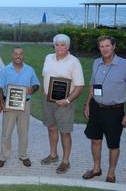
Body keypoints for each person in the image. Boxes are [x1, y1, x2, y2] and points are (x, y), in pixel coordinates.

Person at [82, 36, 126, 183]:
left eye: (107, 46)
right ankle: (96, 168)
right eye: (101, 46)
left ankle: (111, 173)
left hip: (114, 111)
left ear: (114, 47)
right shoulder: (96, 63)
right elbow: (93, 86)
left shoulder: (125, 65)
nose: (104, 49)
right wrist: (87, 104)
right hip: (96, 108)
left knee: (113, 144)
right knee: (95, 140)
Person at [41, 34, 84, 174]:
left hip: (65, 103)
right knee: (52, 128)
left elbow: (79, 86)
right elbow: (45, 76)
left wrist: (67, 100)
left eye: (63, 44)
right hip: (48, 100)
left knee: (65, 131)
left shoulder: (74, 62)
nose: (59, 47)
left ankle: (65, 161)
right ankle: (53, 155)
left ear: (68, 46)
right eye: (57, 44)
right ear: (54, 45)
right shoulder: (48, 57)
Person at [0, 47, 40, 168]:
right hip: (9, 104)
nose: (18, 56)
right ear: (12, 55)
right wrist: (1, 103)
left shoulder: (29, 70)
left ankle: (23, 155)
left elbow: (36, 84)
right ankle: (3, 156)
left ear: (23, 56)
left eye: (20, 54)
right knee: (6, 132)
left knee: (23, 131)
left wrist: (32, 89)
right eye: (16, 54)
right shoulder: (5, 70)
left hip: (25, 104)